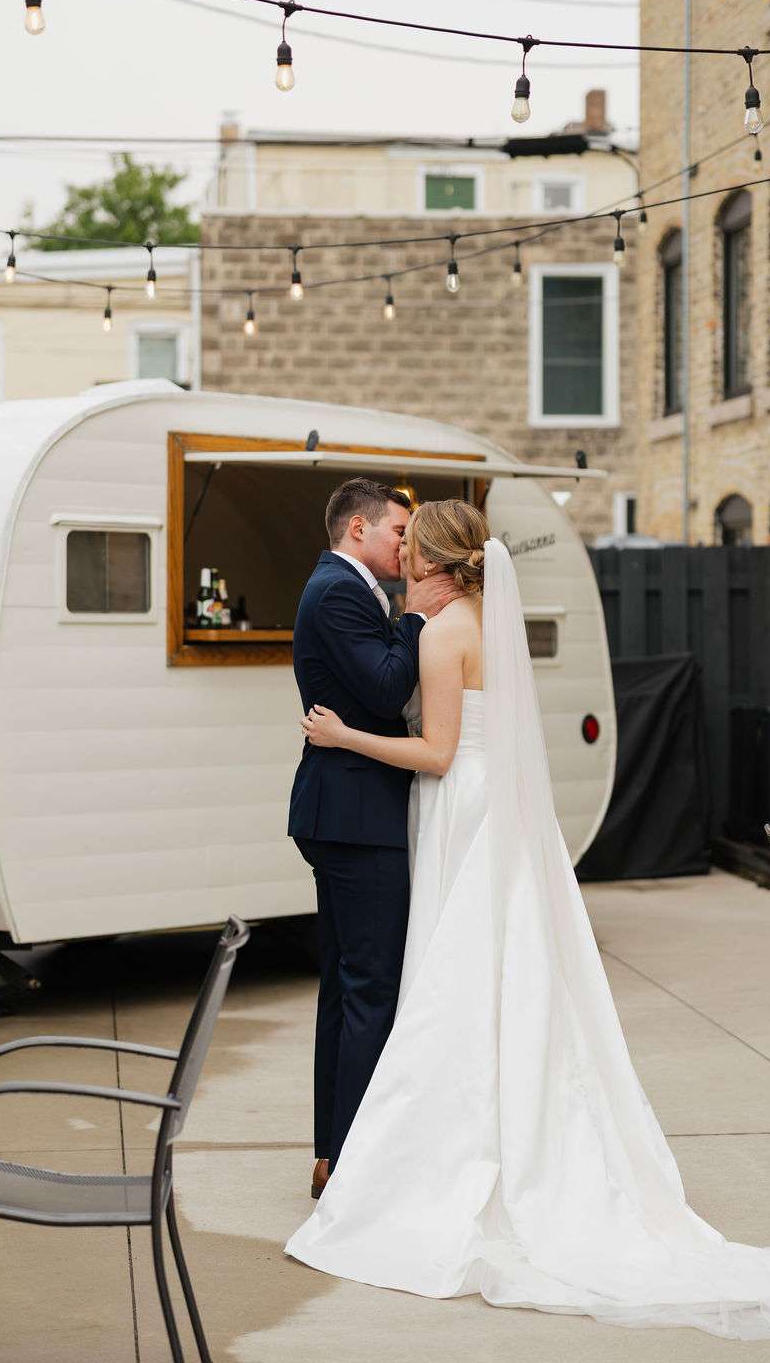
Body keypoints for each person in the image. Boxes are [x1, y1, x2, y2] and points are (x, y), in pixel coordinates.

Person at [285, 498, 770, 1342]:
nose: (402, 560)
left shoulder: (443, 633)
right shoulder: (481, 619)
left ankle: (434, 1156)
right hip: (492, 809)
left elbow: (437, 752)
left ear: (435, 563)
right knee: (499, 972)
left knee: (456, 979)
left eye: (412, 550)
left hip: (458, 805)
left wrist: (342, 737)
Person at [288, 478, 462, 1201]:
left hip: (343, 814)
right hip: (358, 820)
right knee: (370, 992)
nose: (405, 543)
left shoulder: (345, 588)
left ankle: (333, 1152)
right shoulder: (339, 592)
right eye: (397, 530)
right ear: (358, 528)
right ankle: (354, 1161)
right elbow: (390, 688)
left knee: (344, 989)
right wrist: (416, 620)